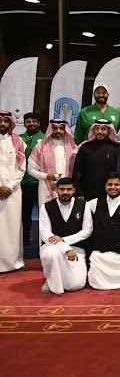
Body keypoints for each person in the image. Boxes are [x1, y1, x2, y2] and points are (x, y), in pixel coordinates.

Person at [87, 172, 120, 290]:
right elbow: (78, 207)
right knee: (95, 281)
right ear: (105, 186)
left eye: (116, 185)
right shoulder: (94, 203)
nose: (113, 187)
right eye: (110, 184)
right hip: (101, 254)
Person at [38, 178, 93, 294]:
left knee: (76, 285)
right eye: (62, 189)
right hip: (52, 246)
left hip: (76, 248)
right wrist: (65, 249)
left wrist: (64, 240)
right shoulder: (46, 207)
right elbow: (45, 233)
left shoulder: (83, 205)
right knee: (50, 255)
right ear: (56, 190)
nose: (65, 192)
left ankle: (58, 278)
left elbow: (87, 230)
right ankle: (50, 280)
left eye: (68, 189)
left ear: (73, 190)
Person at [0, 110, 27, 272]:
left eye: (6, 121)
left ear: (11, 123)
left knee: (13, 226)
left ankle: (14, 262)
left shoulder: (18, 141)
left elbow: (21, 168)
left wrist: (9, 187)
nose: (3, 124)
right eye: (0, 121)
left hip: (13, 192)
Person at [27, 119, 76, 206]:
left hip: (67, 189)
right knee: (47, 212)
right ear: (50, 130)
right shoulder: (40, 147)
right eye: (55, 128)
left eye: (61, 128)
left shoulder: (72, 147)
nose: (58, 131)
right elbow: (30, 170)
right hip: (46, 188)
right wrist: (47, 176)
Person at [72, 119, 120, 201]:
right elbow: (77, 171)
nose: (100, 132)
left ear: (109, 130)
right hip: (87, 192)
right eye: (97, 129)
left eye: (103, 129)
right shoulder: (85, 147)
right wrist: (78, 192)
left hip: (110, 193)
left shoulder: (117, 148)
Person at [20, 112, 44, 245]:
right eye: (28, 121)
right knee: (25, 212)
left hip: (42, 182)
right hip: (24, 182)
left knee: (45, 212)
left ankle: (45, 238)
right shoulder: (19, 138)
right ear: (24, 124)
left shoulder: (45, 138)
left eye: (34, 121)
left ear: (39, 123)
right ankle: (25, 237)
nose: (31, 124)